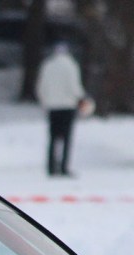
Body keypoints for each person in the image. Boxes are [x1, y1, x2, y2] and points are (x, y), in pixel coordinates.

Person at [36, 41, 87, 177]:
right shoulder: (71, 65)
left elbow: (41, 87)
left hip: (52, 106)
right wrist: (81, 98)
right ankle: (64, 167)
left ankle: (51, 167)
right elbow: (74, 86)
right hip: (67, 106)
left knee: (53, 138)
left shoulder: (48, 65)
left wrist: (45, 101)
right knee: (66, 138)